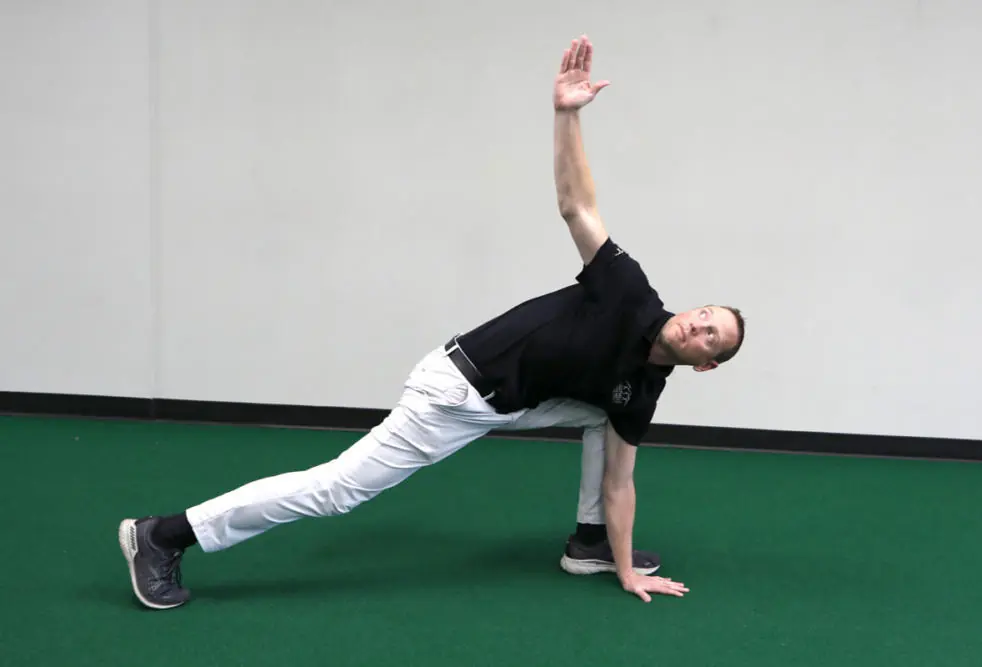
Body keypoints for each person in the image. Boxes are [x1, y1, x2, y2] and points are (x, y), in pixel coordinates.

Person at [118, 34, 745, 610]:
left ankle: (591, 546)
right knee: (337, 489)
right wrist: (566, 113)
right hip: (456, 393)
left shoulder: (645, 391)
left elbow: (620, 481)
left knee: (608, 422)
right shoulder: (627, 292)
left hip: (516, 400)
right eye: (705, 315)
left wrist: (628, 568)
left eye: (712, 336)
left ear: (707, 363)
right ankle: (164, 535)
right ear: (691, 310)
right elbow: (576, 204)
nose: (699, 326)